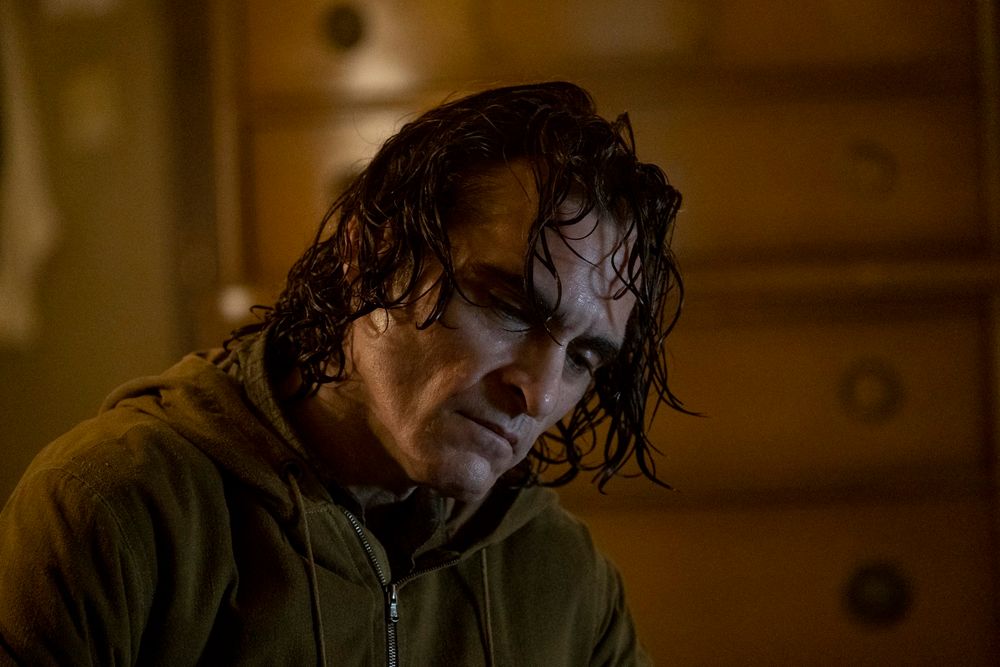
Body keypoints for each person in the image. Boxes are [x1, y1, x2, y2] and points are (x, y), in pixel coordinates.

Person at [0, 81, 684, 665]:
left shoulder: (562, 579)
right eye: (508, 306)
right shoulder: (115, 512)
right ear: (371, 254)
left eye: (583, 357)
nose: (539, 391)